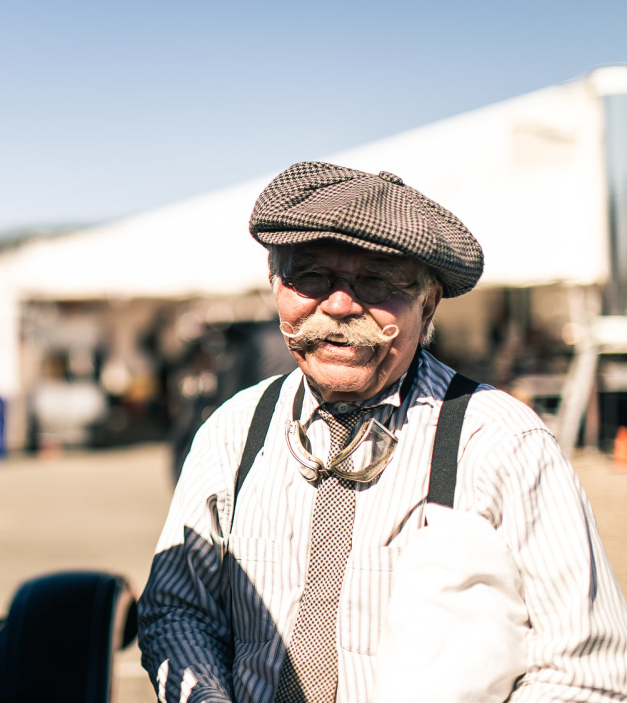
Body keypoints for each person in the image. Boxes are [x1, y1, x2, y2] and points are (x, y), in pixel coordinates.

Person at [138, 161, 627, 703]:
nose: (339, 305)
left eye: (376, 281)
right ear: (276, 286)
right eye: (311, 277)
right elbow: (178, 611)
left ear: (428, 304)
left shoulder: (502, 443)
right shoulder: (234, 430)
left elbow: (583, 673)